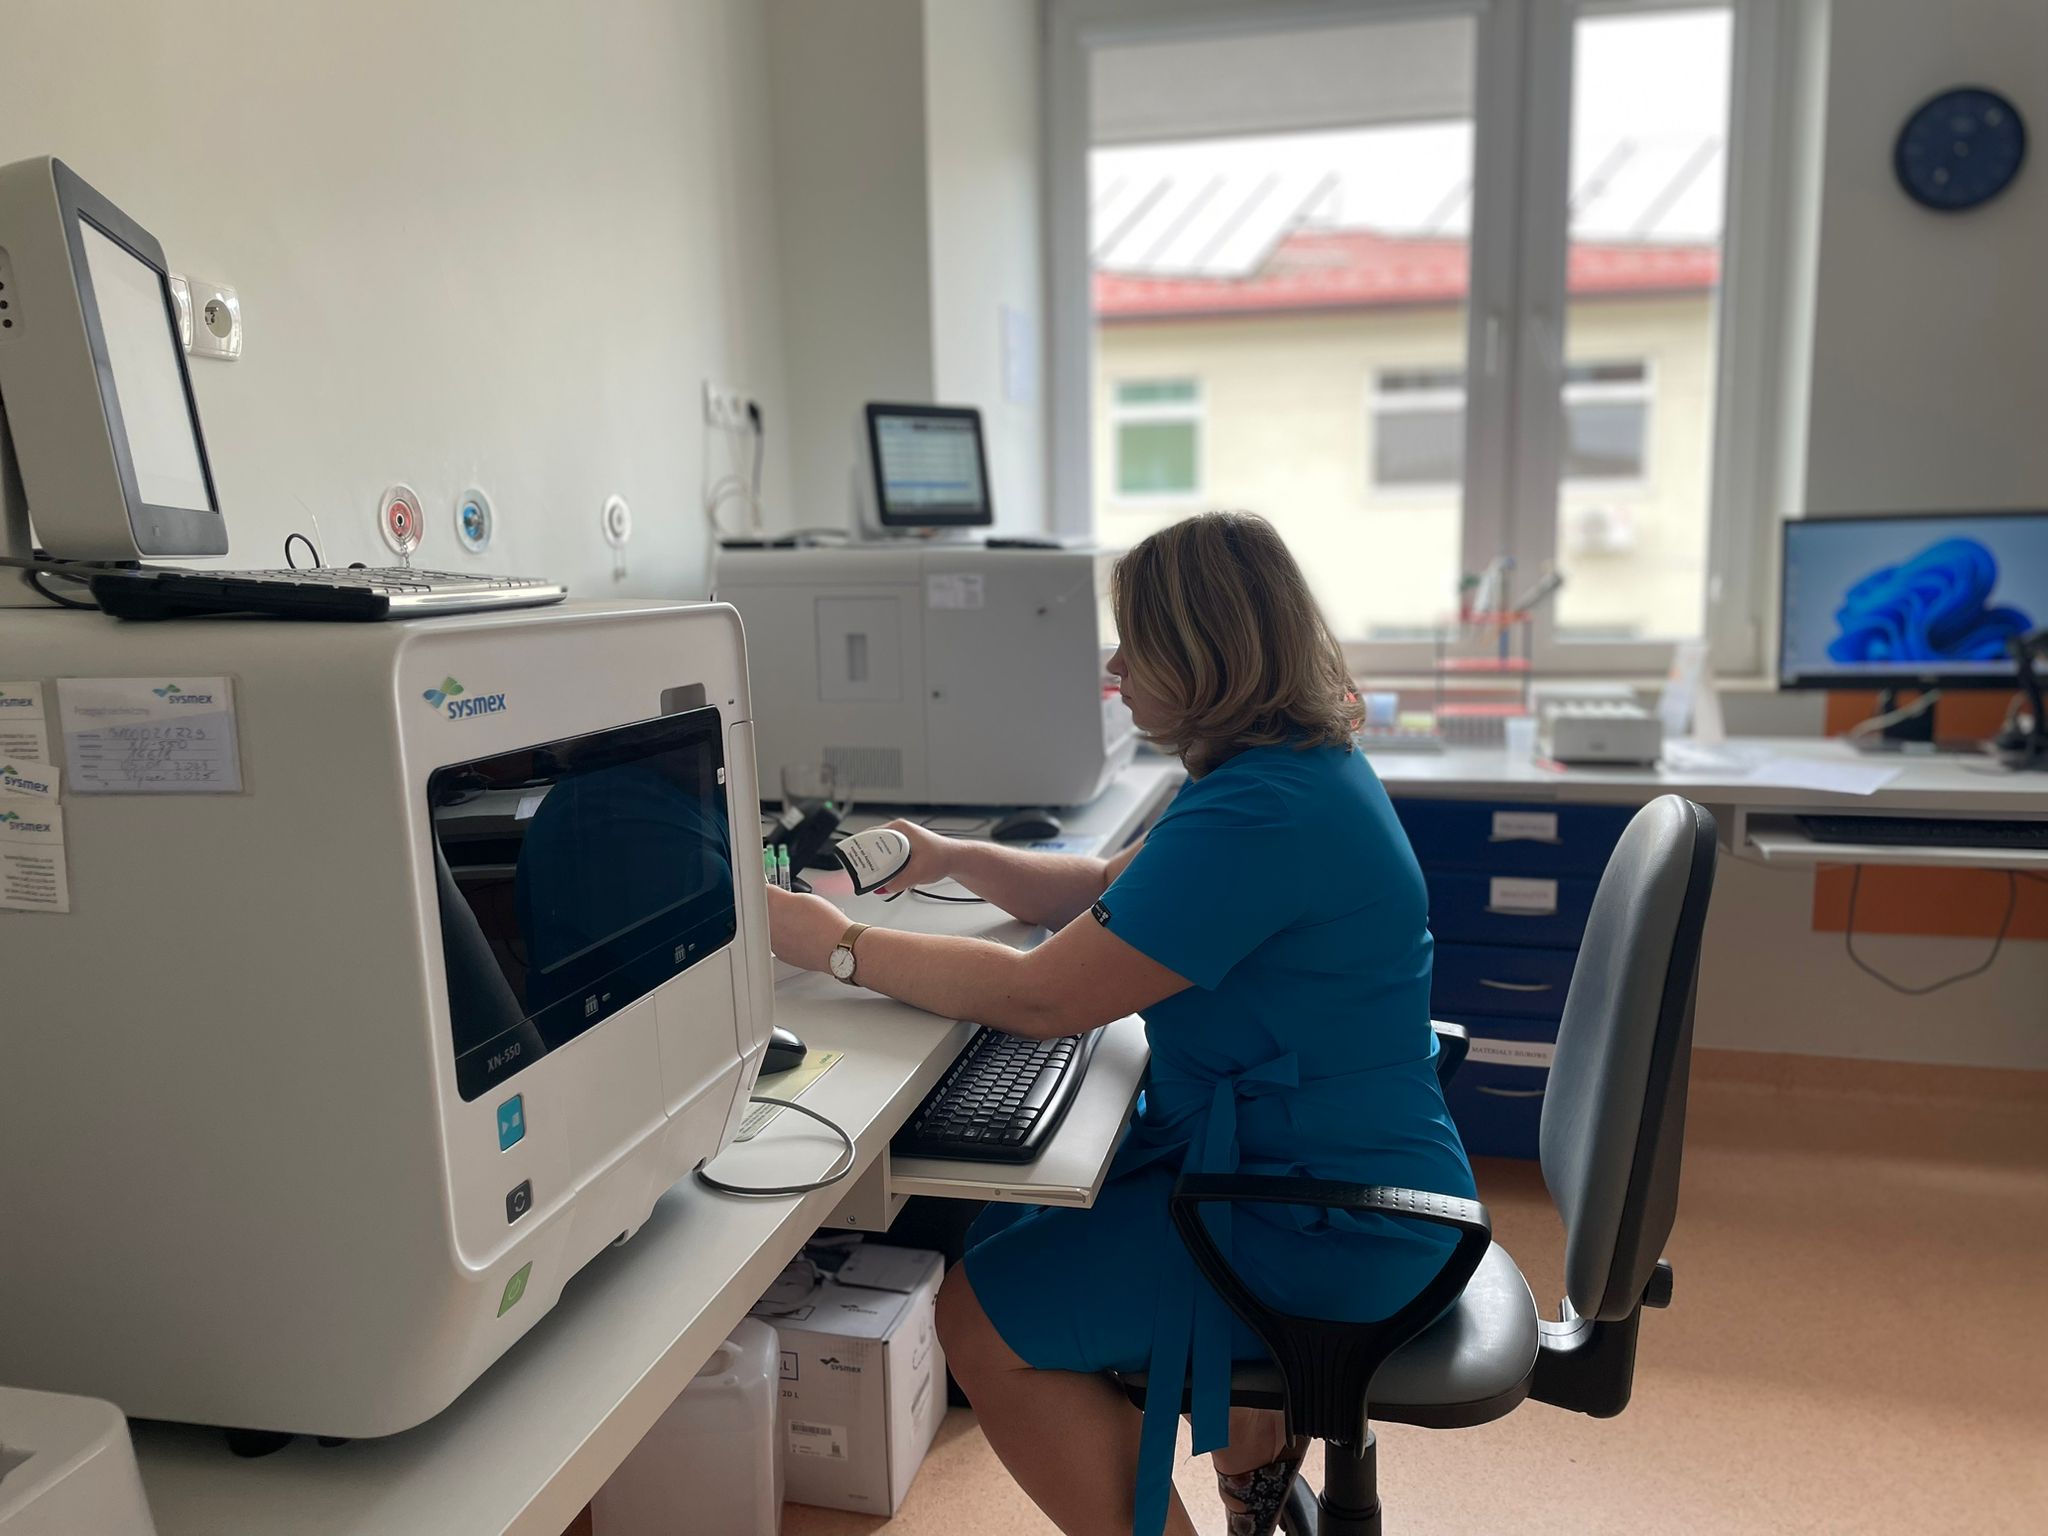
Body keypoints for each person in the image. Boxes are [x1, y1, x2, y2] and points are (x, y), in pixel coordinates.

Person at [766, 511, 1475, 1536]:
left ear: (1201, 656)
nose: (1112, 667)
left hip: (1330, 1221)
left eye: (1133, 644)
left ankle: (1228, 1478)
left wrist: (838, 944)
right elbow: (1102, 886)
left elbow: (1043, 998)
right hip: (1327, 1177)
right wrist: (951, 857)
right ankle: (1249, 1478)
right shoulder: (1281, 772)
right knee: (1020, 1231)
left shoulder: (1259, 813)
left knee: (978, 1319)